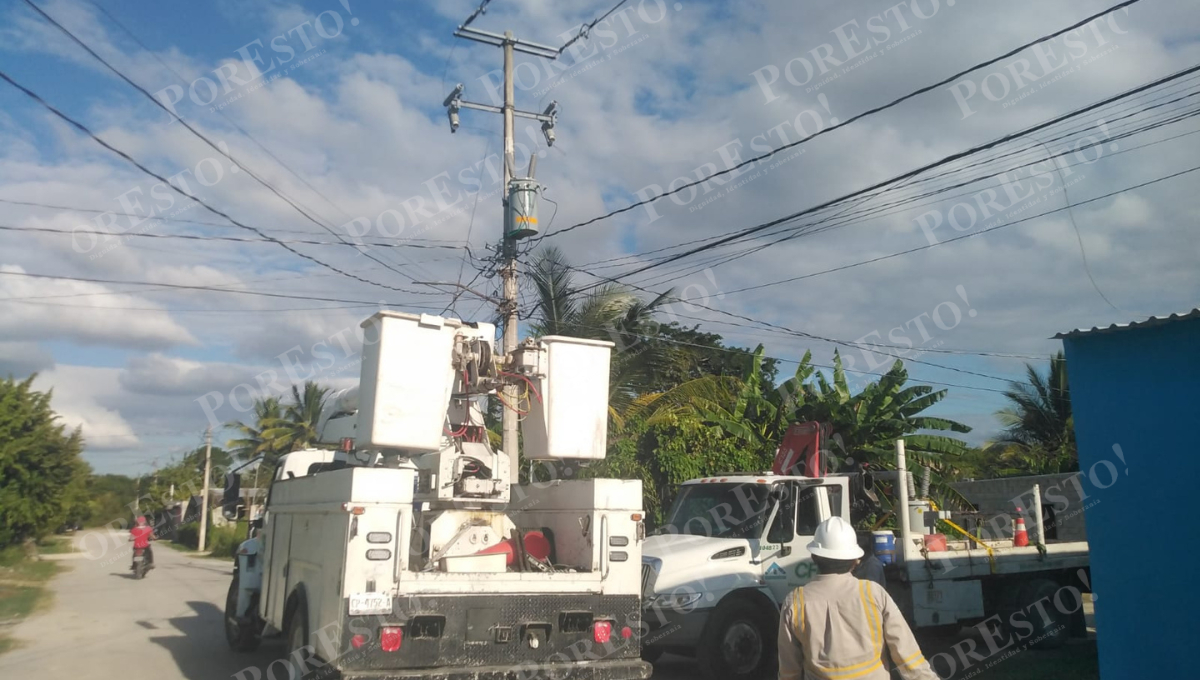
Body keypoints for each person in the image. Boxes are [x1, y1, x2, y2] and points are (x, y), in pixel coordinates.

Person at [778, 517, 937, 680]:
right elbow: (908, 656)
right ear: (855, 561)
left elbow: (789, 670)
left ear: (814, 557)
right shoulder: (873, 593)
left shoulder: (795, 602)